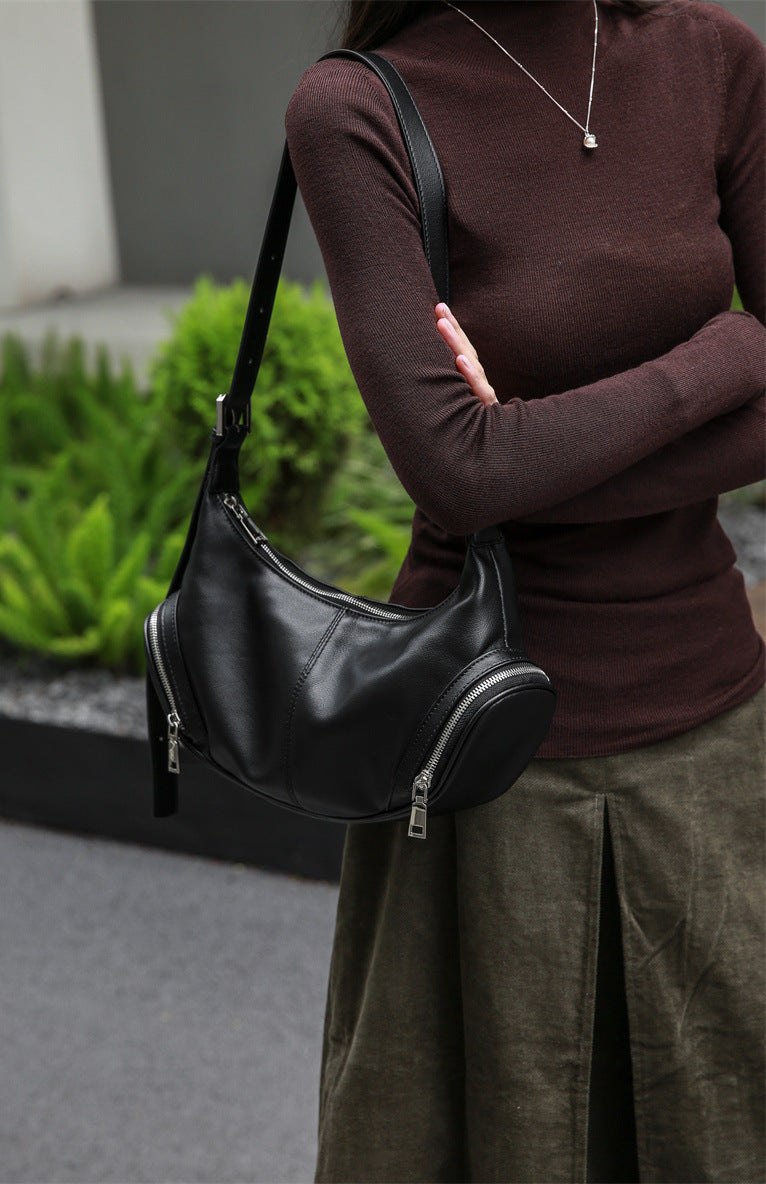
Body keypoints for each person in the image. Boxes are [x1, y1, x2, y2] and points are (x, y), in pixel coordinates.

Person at [283, 1, 766, 1180]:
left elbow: (486, 472)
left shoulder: (713, 60)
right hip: (483, 752)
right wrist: (730, 352)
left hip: (718, 731)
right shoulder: (357, 108)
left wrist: (524, 455)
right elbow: (454, 472)